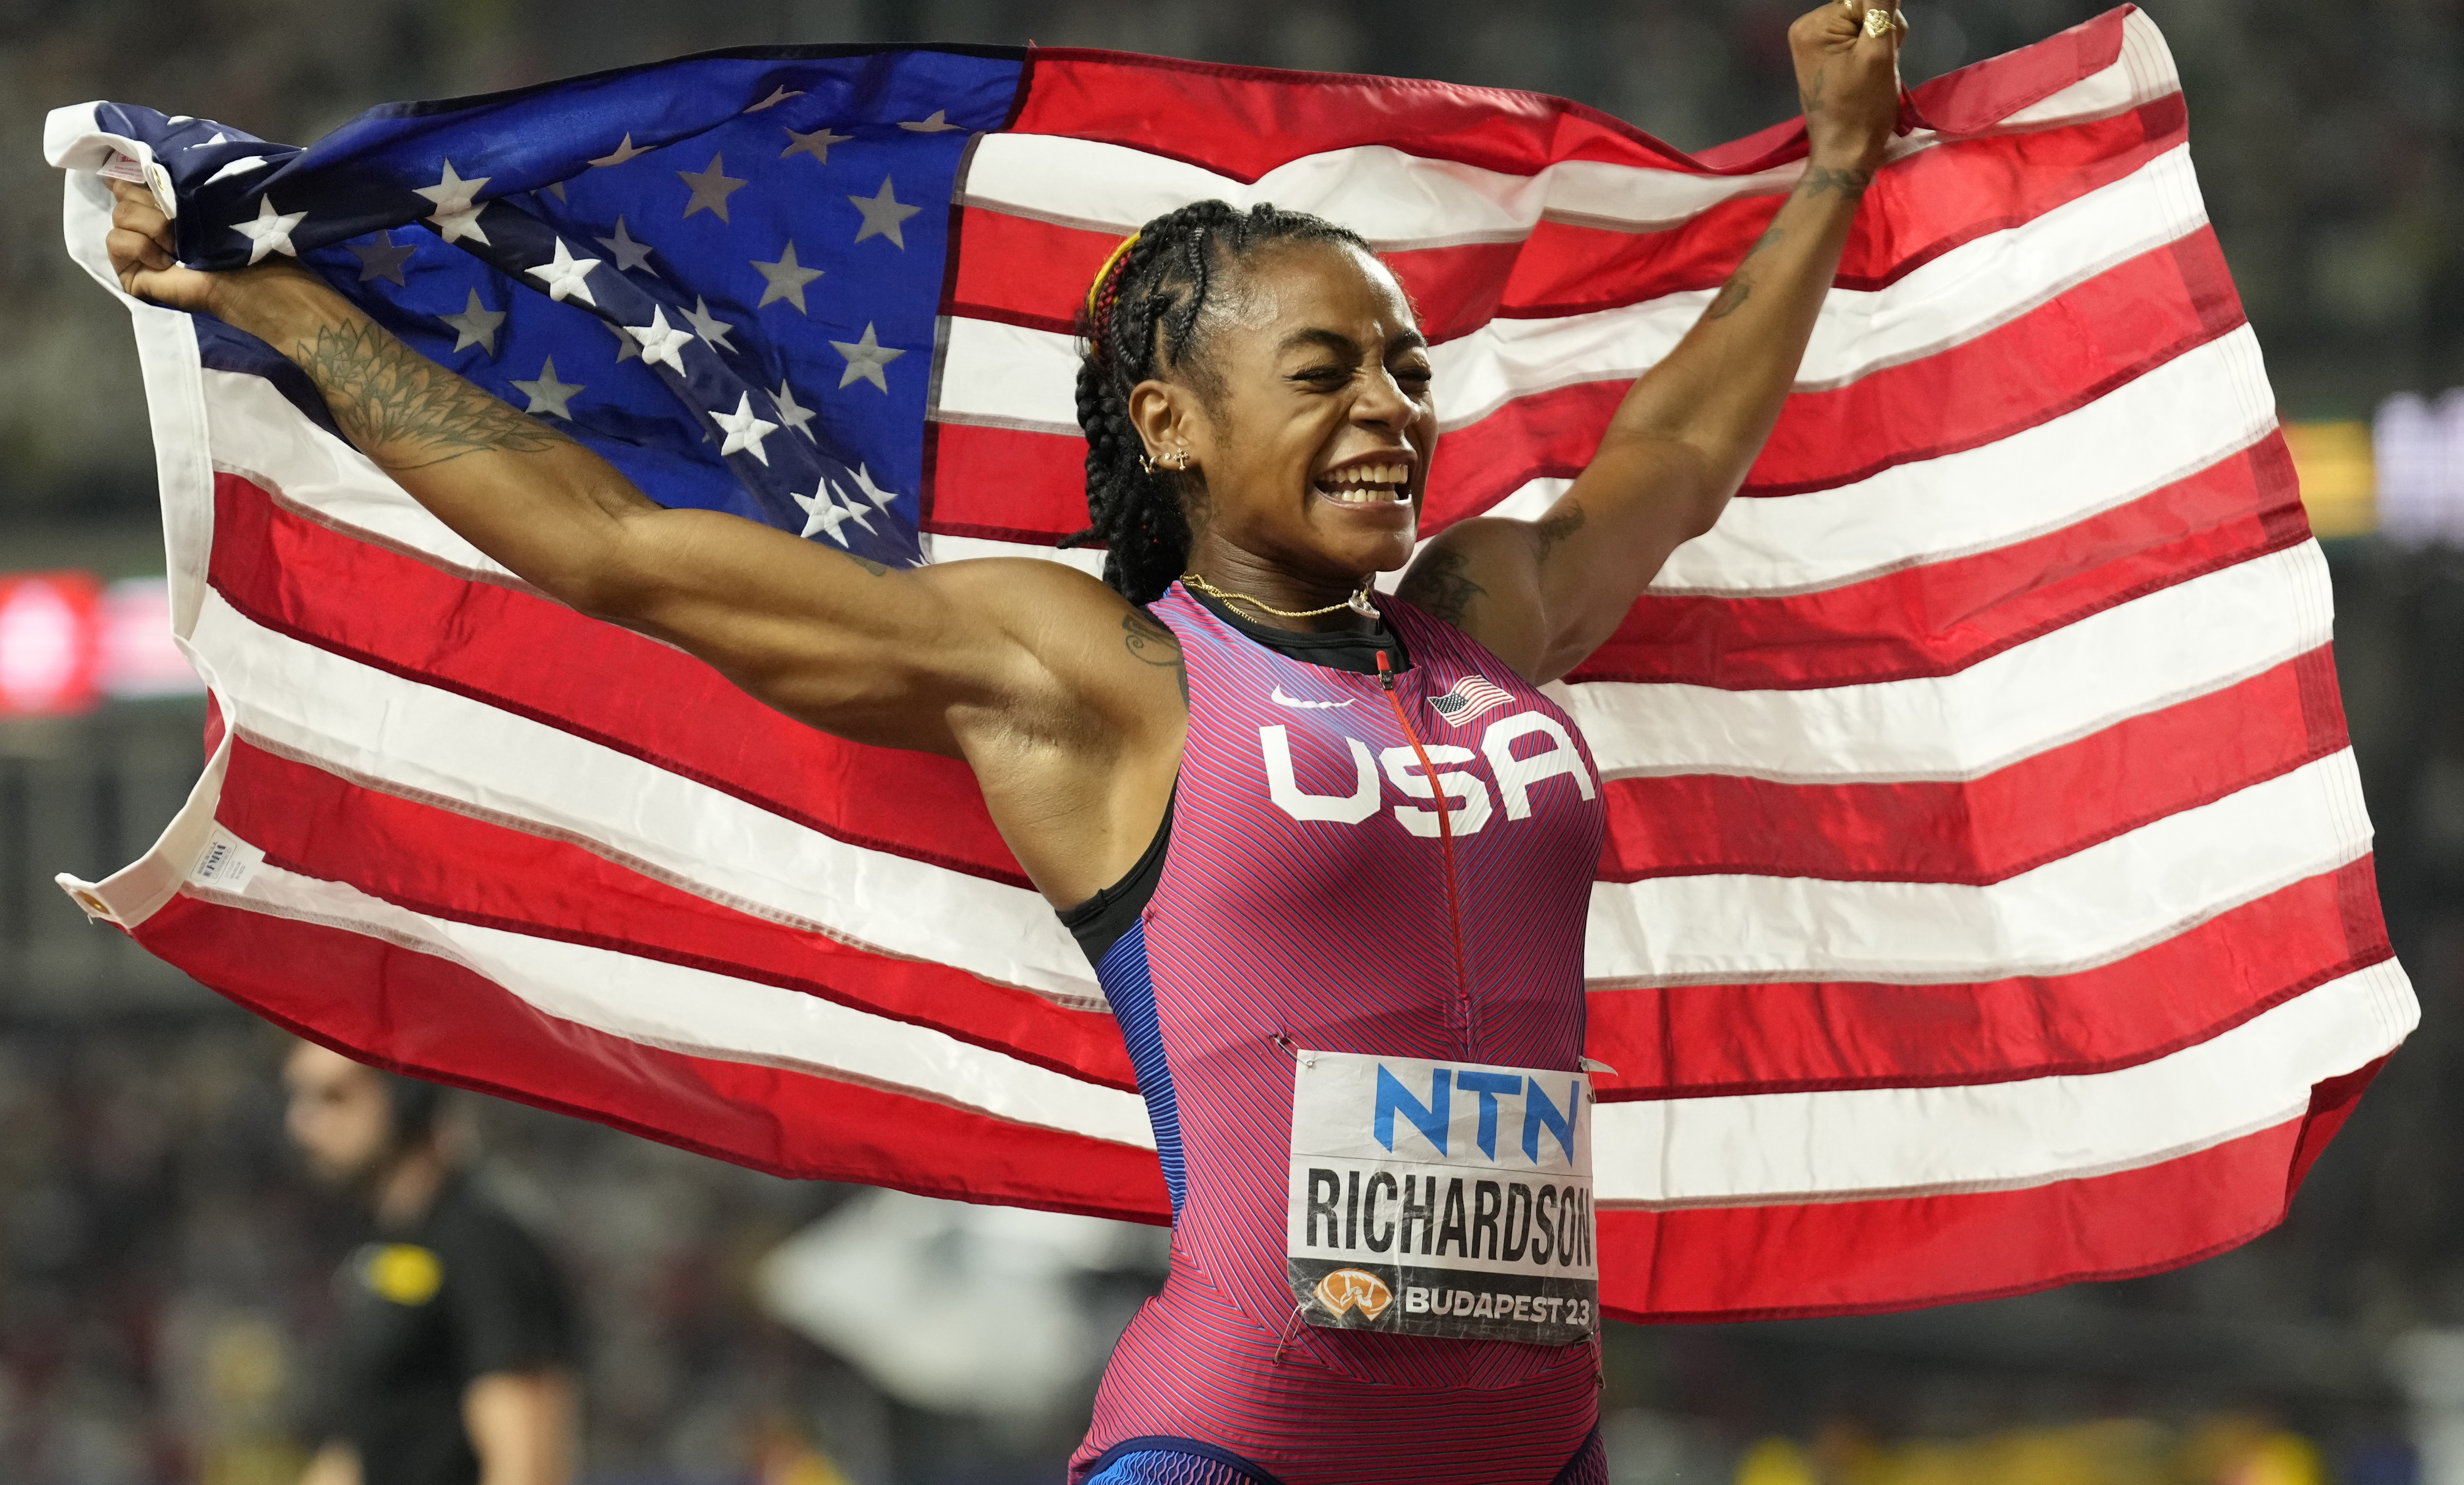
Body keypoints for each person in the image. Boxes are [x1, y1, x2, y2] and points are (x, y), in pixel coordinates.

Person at [117, 3, 1903, 1478]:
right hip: (1242, 1445)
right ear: (1171, 423)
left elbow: (1671, 462)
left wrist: (1831, 172)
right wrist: (288, 311)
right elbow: (621, 549)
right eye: (1326, 371)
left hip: (1541, 1445)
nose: (1390, 409)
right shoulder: (1099, 676)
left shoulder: (1490, 624)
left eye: (1406, 371)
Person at [280, 1042, 580, 1485]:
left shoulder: (483, 1242)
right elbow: (365, 1447)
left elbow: (527, 1465)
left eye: (335, 1096)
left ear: (407, 1097)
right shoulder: (377, 1245)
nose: (301, 1125)